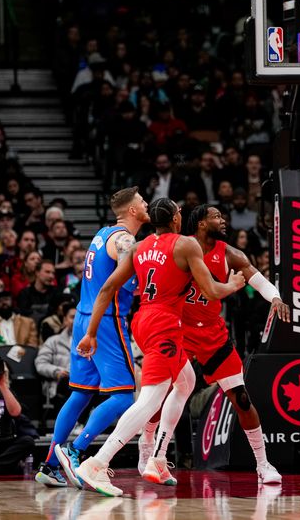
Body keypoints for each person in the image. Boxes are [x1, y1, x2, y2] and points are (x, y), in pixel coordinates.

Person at [74, 198, 245, 496]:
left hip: (142, 319)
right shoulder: (185, 245)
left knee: (186, 382)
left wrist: (90, 333)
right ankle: (98, 462)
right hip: (164, 324)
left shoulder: (138, 247)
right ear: (177, 219)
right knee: (151, 399)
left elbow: (107, 288)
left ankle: (158, 458)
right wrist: (234, 284)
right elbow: (211, 291)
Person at [140, 205, 288, 484]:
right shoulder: (179, 247)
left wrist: (276, 298)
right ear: (200, 223)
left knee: (242, 400)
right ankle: (149, 448)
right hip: (178, 330)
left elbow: (257, 279)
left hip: (211, 333)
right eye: (216, 216)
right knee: (162, 394)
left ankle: (263, 464)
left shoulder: (230, 253)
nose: (223, 220)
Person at [35, 187, 149, 489]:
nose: (146, 203)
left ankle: (50, 465)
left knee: (81, 393)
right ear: (132, 210)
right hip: (105, 322)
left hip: (84, 316)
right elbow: (122, 287)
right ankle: (76, 450)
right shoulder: (127, 240)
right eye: (142, 201)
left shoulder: (102, 233)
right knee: (124, 396)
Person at [0, 351, 35, 474]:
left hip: (3, 443)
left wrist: (2, 383)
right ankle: (0, 467)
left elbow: (16, 413)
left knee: (27, 441)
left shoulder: (5, 391)